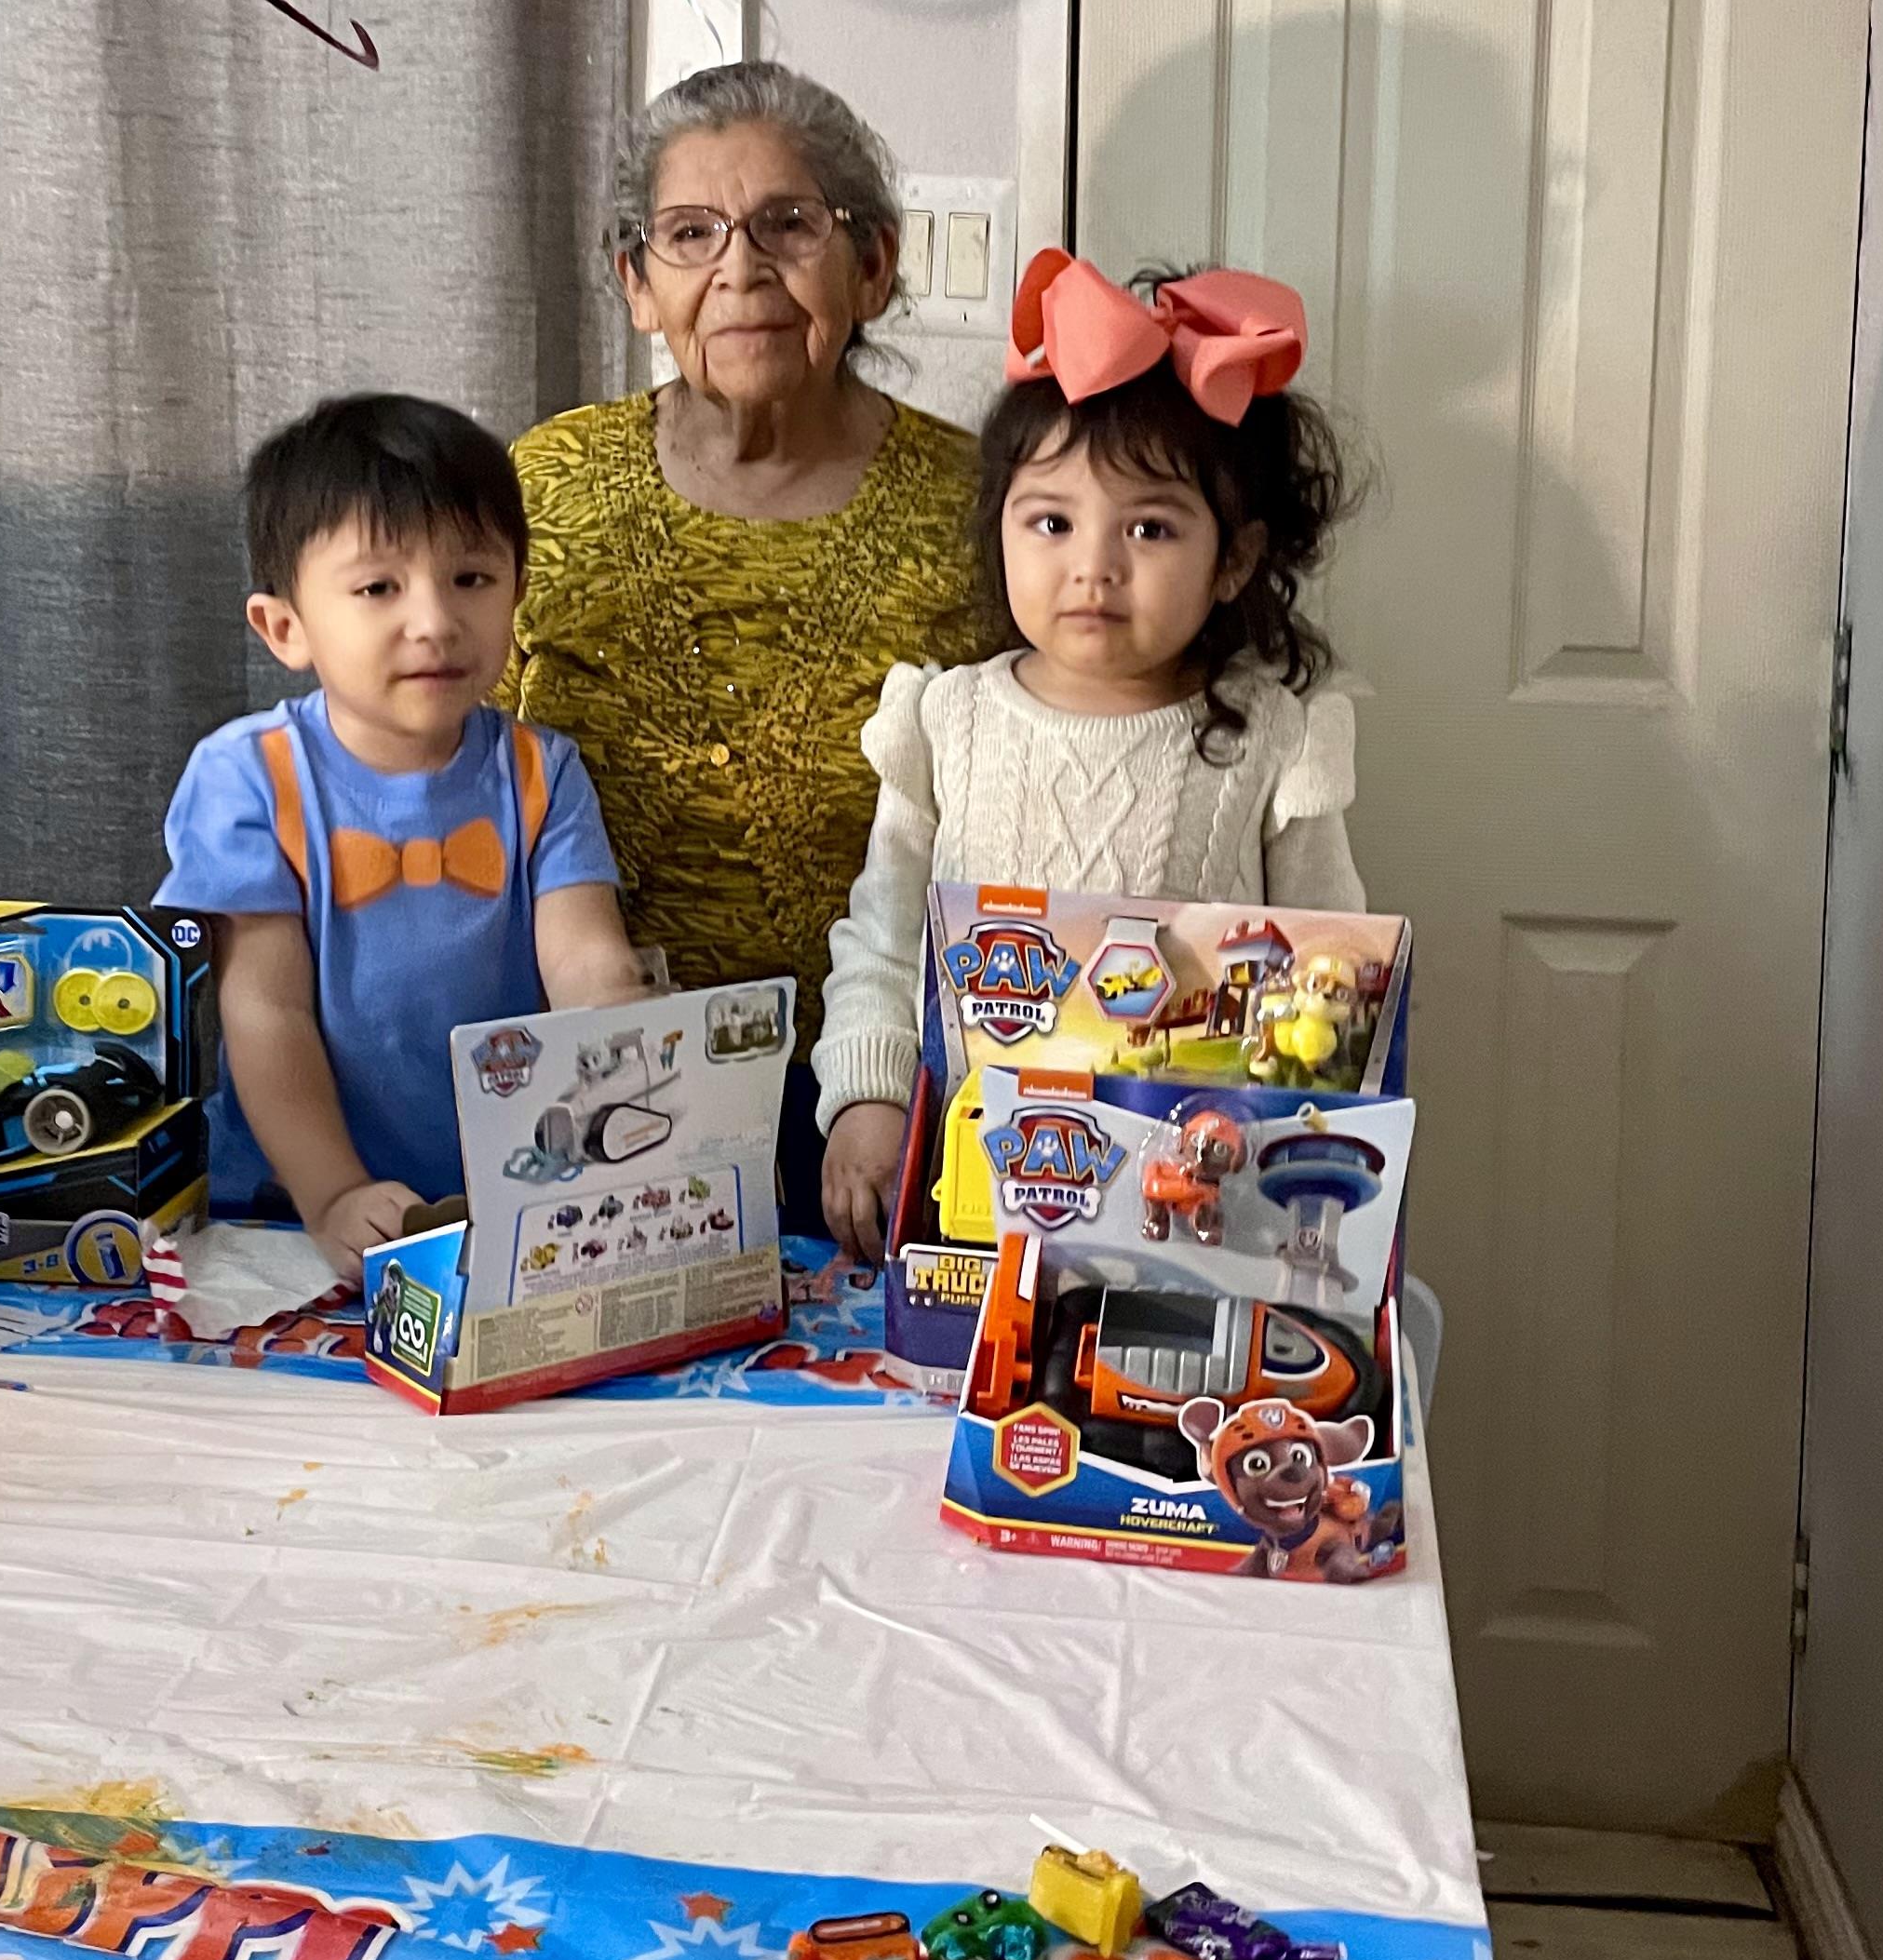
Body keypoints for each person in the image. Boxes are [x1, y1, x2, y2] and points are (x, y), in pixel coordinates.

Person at [507, 63, 979, 1248]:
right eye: (690, 233)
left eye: (788, 224)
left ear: (870, 264)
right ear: (636, 284)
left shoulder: (990, 510)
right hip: (591, 1102)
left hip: (884, 1105)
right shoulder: (543, 487)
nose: (740, 268)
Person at [813, 252, 1367, 1251]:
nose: (1094, 568)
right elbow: (885, 944)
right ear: (1002, 531)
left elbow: (1333, 981)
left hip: (1194, 1209)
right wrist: (866, 1097)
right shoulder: (946, 721)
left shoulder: (1274, 739)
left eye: (1150, 528)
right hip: (970, 1198)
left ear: (1232, 558)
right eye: (1053, 521)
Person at [163, 396, 651, 1268]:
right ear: (286, 627)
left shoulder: (542, 772)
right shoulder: (249, 777)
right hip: (287, 1211)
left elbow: (588, 962)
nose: (433, 619)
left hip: (511, 1203)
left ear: (517, 594)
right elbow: (263, 1009)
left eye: (471, 578)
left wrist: (647, 1064)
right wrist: (334, 1192)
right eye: (378, 587)